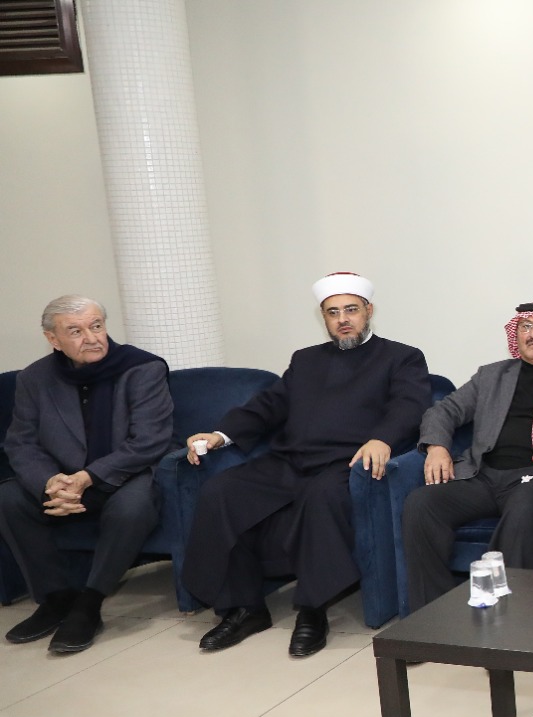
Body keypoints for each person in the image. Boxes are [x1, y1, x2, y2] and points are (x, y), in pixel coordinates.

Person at [181, 273, 430, 657]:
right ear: (323, 317)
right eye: (333, 312)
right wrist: (221, 435)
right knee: (221, 491)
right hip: (291, 460)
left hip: (346, 464)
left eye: (351, 310)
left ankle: (312, 611)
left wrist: (382, 438)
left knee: (320, 498)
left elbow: (410, 406)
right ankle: (244, 608)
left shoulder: (401, 357)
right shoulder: (306, 359)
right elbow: (270, 405)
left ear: (368, 311)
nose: (343, 319)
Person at [401, 302, 533, 610]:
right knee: (421, 504)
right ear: (516, 333)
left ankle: (508, 616)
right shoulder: (491, 375)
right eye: (526, 327)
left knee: (524, 511)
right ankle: (434, 612)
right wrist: (437, 446)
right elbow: (443, 410)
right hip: (482, 476)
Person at [0, 296, 172, 654]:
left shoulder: (142, 368)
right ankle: (56, 598)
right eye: (76, 331)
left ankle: (89, 603)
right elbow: (21, 443)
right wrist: (51, 482)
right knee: (9, 497)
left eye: (96, 326)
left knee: (133, 506)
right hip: (63, 479)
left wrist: (88, 477)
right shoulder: (35, 378)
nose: (92, 338)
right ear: (53, 339)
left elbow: (149, 441)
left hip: (126, 473)